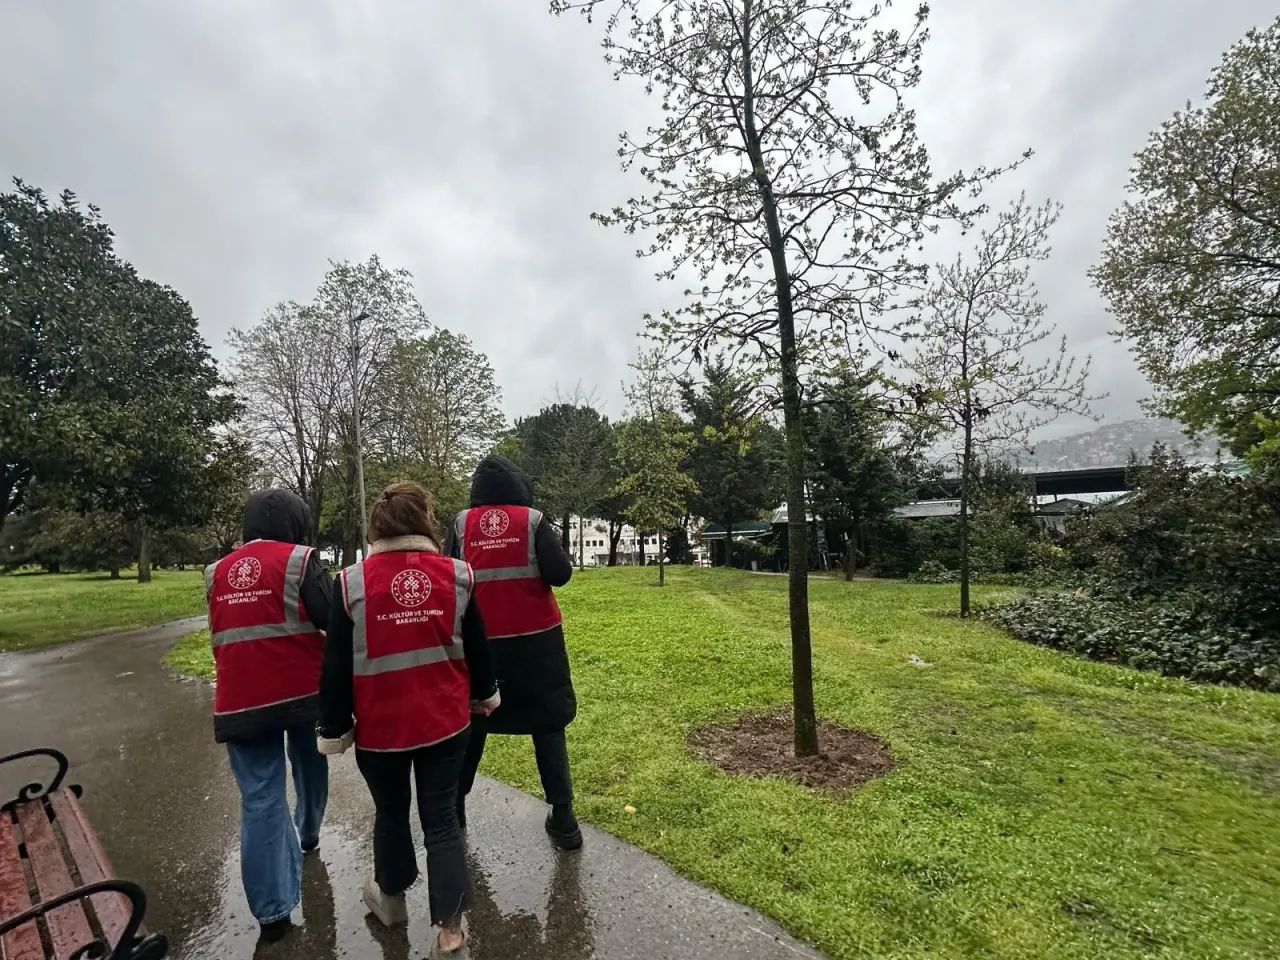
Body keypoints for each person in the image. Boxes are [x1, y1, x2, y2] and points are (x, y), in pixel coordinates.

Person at [317, 481, 499, 957]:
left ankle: (392, 900)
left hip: (381, 731)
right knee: (441, 820)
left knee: (391, 813)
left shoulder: (350, 583)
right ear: (426, 522)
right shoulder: (458, 575)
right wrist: (485, 696)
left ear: (378, 526)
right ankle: (451, 929)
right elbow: (477, 647)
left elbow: (335, 665)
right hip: (445, 724)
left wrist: (332, 726)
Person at [203, 488, 333, 943]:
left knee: (259, 797)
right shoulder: (302, 560)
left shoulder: (215, 572)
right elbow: (330, 615)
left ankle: (272, 912)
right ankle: (309, 833)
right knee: (311, 767)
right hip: (302, 693)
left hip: (241, 701)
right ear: (296, 524)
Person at [447, 455, 581, 851]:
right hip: (536, 643)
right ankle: (564, 819)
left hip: (479, 645)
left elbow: (449, 575)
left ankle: (454, 812)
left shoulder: (460, 525)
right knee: (547, 726)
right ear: (519, 486)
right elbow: (559, 574)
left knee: (472, 727)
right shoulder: (533, 521)